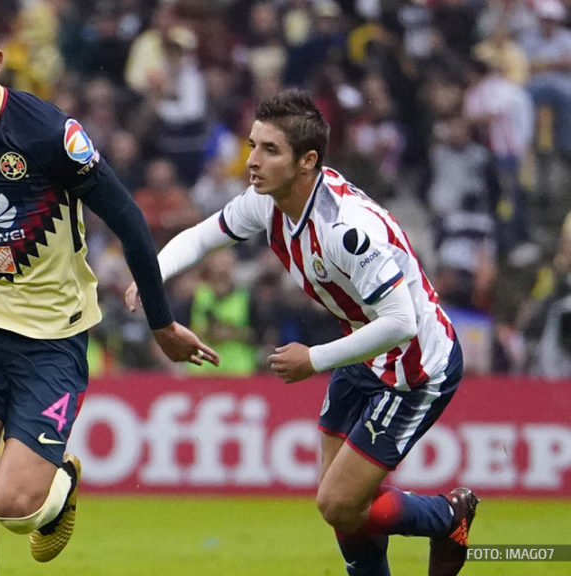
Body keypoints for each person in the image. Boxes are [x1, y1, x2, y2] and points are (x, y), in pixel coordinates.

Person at [0, 3, 219, 576]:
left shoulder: (47, 133)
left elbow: (129, 220)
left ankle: (61, 481)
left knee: (14, 509)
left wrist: (162, 322)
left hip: (53, 336)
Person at [126, 89, 476, 576]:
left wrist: (313, 359)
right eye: (252, 145)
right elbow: (202, 236)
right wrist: (153, 275)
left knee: (337, 503)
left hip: (413, 366)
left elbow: (401, 322)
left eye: (270, 150)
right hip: (361, 348)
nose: (251, 161)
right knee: (342, 503)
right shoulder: (267, 203)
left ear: (307, 160)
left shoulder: (347, 230)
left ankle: (448, 516)